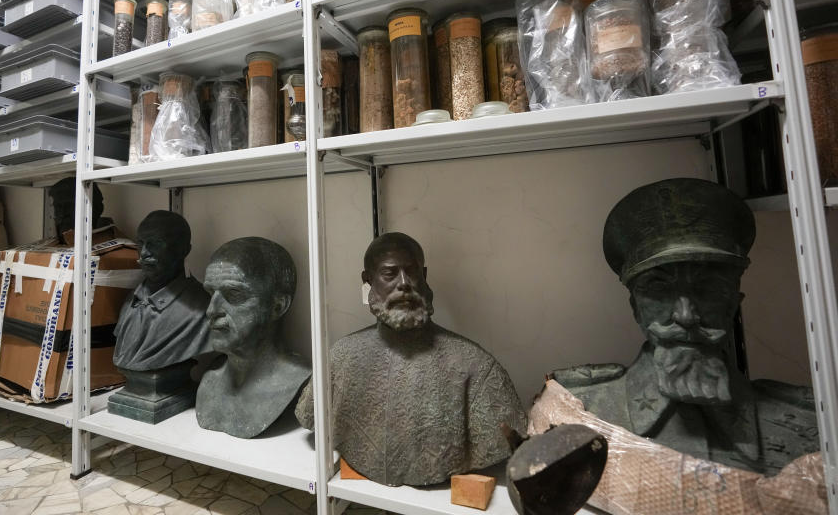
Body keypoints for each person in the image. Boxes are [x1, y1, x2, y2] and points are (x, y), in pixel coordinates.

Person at [554, 178, 819, 475]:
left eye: (707, 288)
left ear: (733, 303)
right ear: (636, 308)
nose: (686, 315)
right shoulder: (577, 414)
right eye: (659, 289)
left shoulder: (806, 423)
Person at [296, 232, 525, 487]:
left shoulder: (477, 367)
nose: (403, 283)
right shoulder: (340, 358)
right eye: (390, 274)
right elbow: (311, 415)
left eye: (411, 271)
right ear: (368, 280)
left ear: (424, 276)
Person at [195, 237, 310, 438]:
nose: (211, 310)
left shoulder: (302, 381)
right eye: (210, 293)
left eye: (234, 294)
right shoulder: (209, 380)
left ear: (278, 306)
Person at [112, 211, 210, 372]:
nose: (144, 253)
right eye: (141, 243)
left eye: (155, 243)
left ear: (184, 249)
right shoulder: (131, 300)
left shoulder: (202, 307)